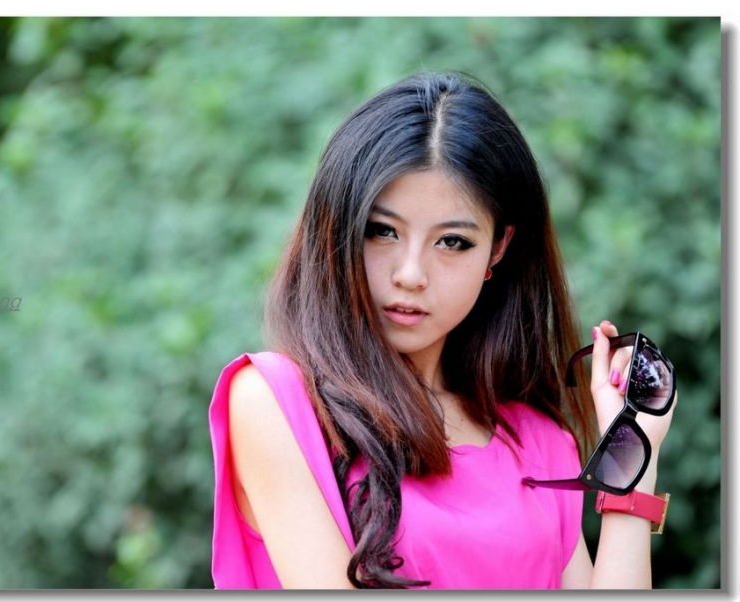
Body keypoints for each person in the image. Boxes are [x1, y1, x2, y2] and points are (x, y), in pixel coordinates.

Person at [208, 71, 676, 589]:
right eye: (381, 231)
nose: (410, 274)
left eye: (452, 241)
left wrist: (635, 446)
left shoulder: (537, 441)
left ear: (497, 249)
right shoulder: (277, 402)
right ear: (337, 228)